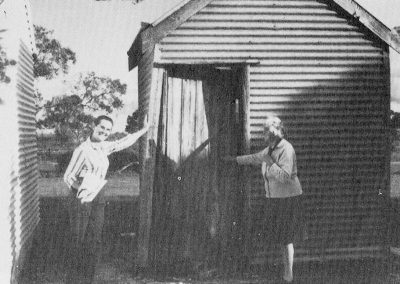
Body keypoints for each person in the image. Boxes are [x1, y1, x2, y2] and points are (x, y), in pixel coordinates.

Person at [63, 115, 148, 283]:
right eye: (102, 127)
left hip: (99, 196)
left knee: (94, 239)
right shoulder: (82, 150)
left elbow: (123, 142)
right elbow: (68, 177)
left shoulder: (104, 147)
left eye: (108, 130)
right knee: (78, 238)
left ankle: (87, 278)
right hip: (82, 198)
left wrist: (144, 130)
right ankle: (73, 279)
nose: (105, 132)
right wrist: (82, 191)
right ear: (94, 126)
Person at [223, 115, 302, 283]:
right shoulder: (270, 150)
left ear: (275, 133)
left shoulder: (286, 149)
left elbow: (286, 177)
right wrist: (233, 160)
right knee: (280, 237)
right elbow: (254, 158)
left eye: (267, 132)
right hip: (275, 199)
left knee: (286, 237)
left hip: (288, 198)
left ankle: (289, 275)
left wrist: (270, 163)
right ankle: (285, 272)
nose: (265, 135)